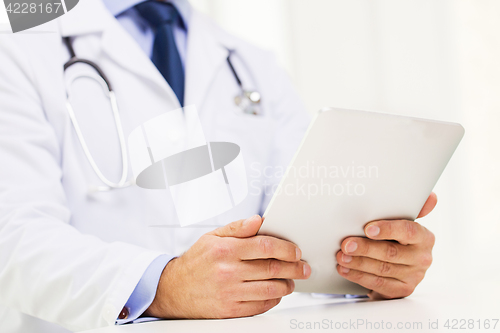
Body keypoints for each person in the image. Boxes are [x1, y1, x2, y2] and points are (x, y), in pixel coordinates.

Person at [0, 0, 437, 332]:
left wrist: (367, 266)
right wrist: (165, 286)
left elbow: (300, 225)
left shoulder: (249, 61)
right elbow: (13, 237)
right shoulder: (17, 36)